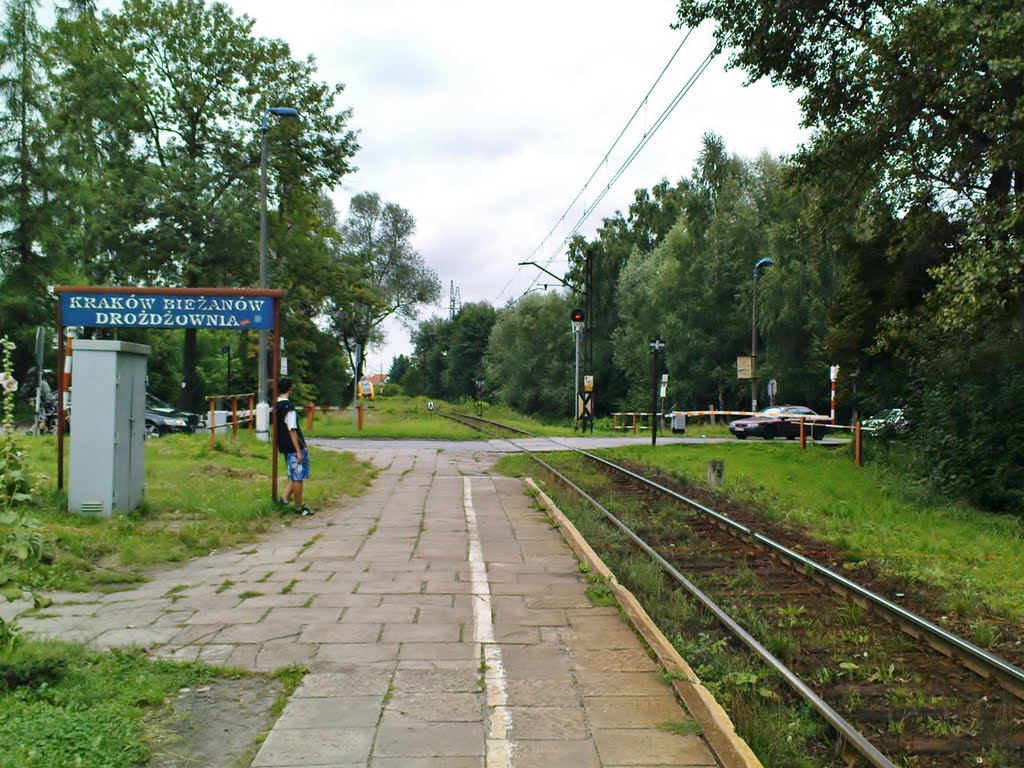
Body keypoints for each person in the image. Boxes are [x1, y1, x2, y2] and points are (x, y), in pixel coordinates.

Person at [275, 377, 313, 516]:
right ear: (290, 389)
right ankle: (298, 507)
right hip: (293, 446)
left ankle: (284, 499)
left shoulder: (276, 406)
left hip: (283, 444)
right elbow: (292, 429)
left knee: (293, 474)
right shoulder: (288, 408)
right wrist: (298, 451)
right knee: (298, 477)